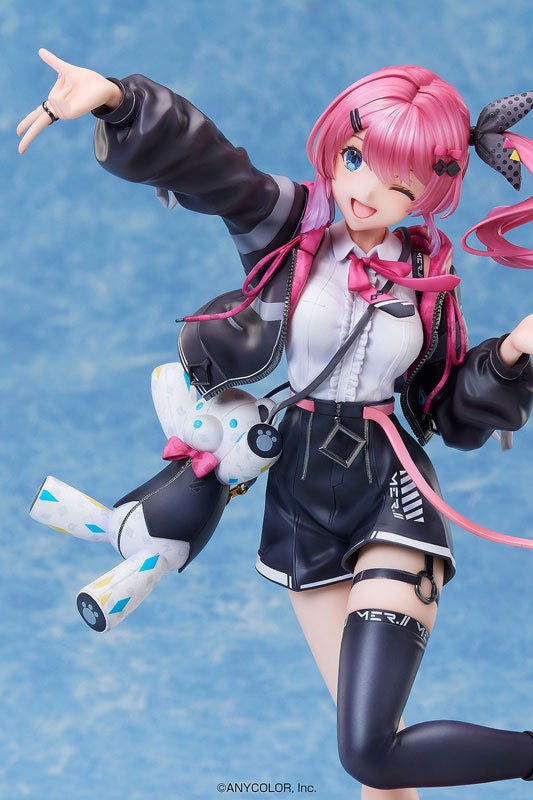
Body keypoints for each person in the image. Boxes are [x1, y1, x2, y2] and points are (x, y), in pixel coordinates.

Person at [18, 50, 533, 792]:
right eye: (356, 159)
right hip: (300, 497)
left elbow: (444, 405)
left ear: (431, 189)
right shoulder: (291, 225)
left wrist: (512, 355)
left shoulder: (428, 279)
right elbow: (210, 164)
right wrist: (119, 102)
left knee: (369, 749)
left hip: (390, 489)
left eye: (399, 183)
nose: (366, 191)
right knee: (380, 765)